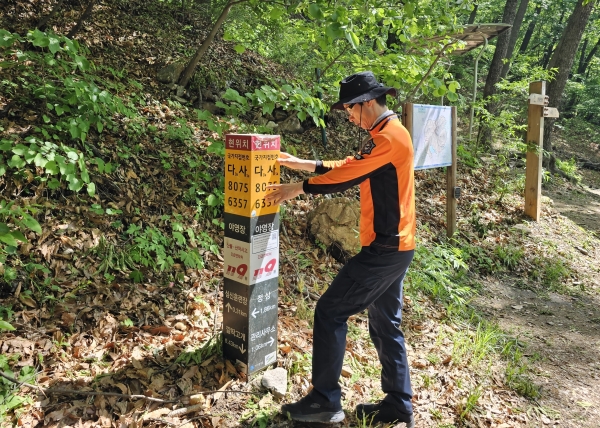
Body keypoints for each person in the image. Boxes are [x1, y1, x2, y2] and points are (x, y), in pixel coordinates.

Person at [265, 71, 416, 427]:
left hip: (385, 249)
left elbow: (347, 176)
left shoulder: (389, 138)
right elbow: (351, 166)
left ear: (367, 103)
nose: (348, 116)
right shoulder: (385, 134)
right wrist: (302, 164)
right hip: (397, 246)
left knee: (330, 312)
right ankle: (398, 405)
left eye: (349, 108)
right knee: (386, 324)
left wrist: (297, 188)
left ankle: (324, 400)